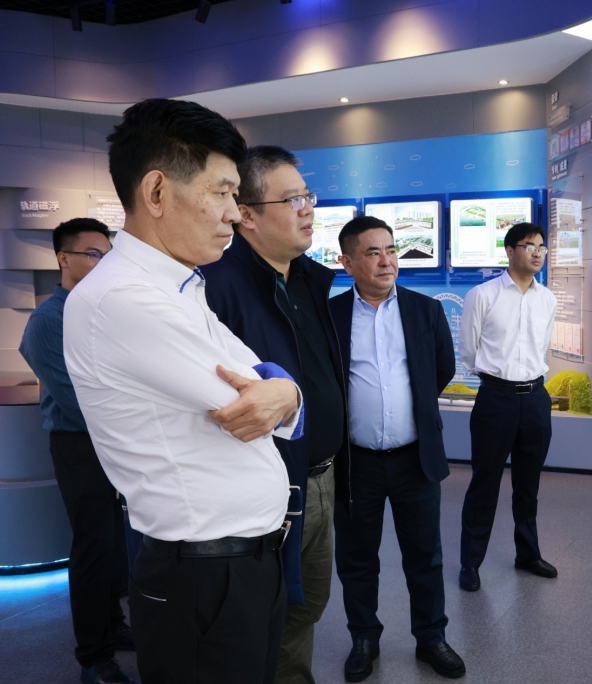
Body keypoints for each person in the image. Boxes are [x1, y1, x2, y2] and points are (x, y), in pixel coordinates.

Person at [63, 98, 305, 684]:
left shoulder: (180, 286)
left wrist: (287, 393)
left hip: (243, 562)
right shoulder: (123, 298)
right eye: (221, 192)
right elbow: (251, 395)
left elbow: (276, 382)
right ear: (156, 192)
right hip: (202, 575)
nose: (234, 213)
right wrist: (282, 392)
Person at [201, 145, 346, 684]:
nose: (307, 209)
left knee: (305, 607)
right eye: (292, 200)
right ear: (247, 214)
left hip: (320, 478)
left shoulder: (307, 279)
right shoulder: (218, 287)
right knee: (261, 617)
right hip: (264, 488)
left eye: (308, 197)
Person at [328, 216, 464, 681]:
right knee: (357, 558)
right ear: (347, 262)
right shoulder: (331, 317)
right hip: (355, 463)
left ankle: (431, 637)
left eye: (391, 250)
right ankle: (364, 637)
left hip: (414, 459)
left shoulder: (425, 311)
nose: (387, 261)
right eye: (373, 253)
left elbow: (442, 368)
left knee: (425, 555)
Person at [18, 218, 135, 684]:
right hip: (81, 444)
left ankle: (113, 624)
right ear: (63, 259)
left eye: (108, 254)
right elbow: (78, 401)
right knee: (94, 547)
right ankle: (94, 655)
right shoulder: (48, 321)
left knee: (117, 545)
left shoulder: (107, 311)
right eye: (93, 254)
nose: (103, 262)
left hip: (117, 440)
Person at [457, 222, 558, 591]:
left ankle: (527, 554)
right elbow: (469, 351)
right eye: (530, 245)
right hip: (496, 398)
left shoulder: (547, 299)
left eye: (541, 246)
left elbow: (541, 347)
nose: (537, 253)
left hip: (535, 399)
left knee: (528, 484)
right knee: (484, 483)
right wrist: (499, 378)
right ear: (510, 251)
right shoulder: (482, 295)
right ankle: (471, 562)